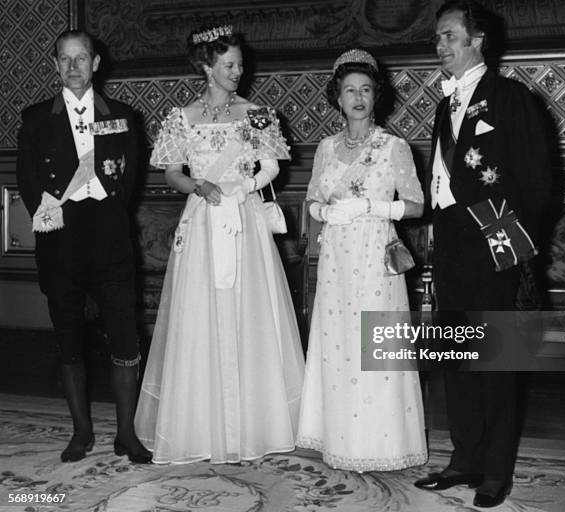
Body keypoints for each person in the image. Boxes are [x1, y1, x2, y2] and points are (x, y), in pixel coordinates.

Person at [134, 25, 305, 464]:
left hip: (244, 219)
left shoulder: (256, 113)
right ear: (207, 67)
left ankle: (253, 424)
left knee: (248, 313)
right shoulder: (182, 117)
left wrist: (245, 184)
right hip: (203, 219)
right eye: (229, 65)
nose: (238, 72)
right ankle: (202, 425)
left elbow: (271, 167)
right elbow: (171, 171)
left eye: (240, 64)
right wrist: (197, 184)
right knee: (201, 315)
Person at [414, 1, 552, 508]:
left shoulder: (511, 97)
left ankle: (496, 471)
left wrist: (514, 242)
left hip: (496, 237)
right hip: (450, 238)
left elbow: (538, 180)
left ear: (477, 40)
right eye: (437, 38)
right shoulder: (441, 104)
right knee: (456, 356)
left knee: (495, 360)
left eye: (449, 36)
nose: (440, 46)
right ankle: (464, 459)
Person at [16, 30, 151, 464]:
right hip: (61, 239)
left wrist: (105, 213)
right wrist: (55, 214)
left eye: (81, 59)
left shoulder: (123, 116)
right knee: (68, 337)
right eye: (64, 59)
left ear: (96, 64)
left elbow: (128, 183)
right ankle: (81, 433)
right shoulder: (36, 118)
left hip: (110, 237)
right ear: (56, 65)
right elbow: (29, 181)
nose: (73, 66)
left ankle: (127, 434)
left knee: (125, 337)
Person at [296, 49, 428, 472]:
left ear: (376, 97)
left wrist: (372, 207)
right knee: (339, 344)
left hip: (375, 257)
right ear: (337, 98)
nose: (357, 98)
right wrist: (323, 213)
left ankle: (382, 443)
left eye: (366, 90)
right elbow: (313, 199)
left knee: (374, 345)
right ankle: (340, 438)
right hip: (336, 258)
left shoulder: (394, 147)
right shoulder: (326, 148)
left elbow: (416, 205)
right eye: (349, 90)